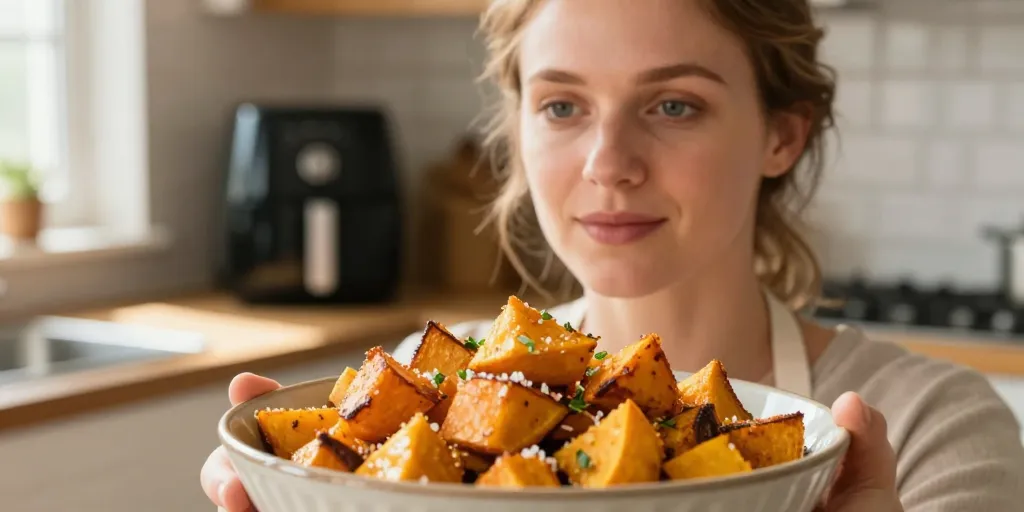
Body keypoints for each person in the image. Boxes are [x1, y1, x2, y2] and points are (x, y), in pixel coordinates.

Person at [201, 0, 1024, 510]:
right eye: (562, 105)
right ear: (518, 127)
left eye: (673, 104)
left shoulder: (928, 430)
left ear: (782, 133)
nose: (608, 162)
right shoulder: (422, 392)